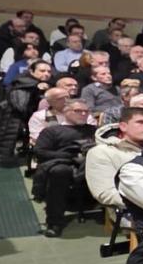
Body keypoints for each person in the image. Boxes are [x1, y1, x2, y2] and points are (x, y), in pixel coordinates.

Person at [33, 98, 97, 237]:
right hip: (64, 162)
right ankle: (54, 222)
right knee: (60, 171)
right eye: (78, 111)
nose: (83, 114)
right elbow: (40, 151)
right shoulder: (52, 131)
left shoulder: (94, 130)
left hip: (91, 161)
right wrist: (68, 156)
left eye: (86, 111)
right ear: (66, 112)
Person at [84, 106, 143, 211]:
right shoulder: (102, 152)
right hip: (134, 211)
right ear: (123, 126)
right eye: (141, 122)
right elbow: (105, 193)